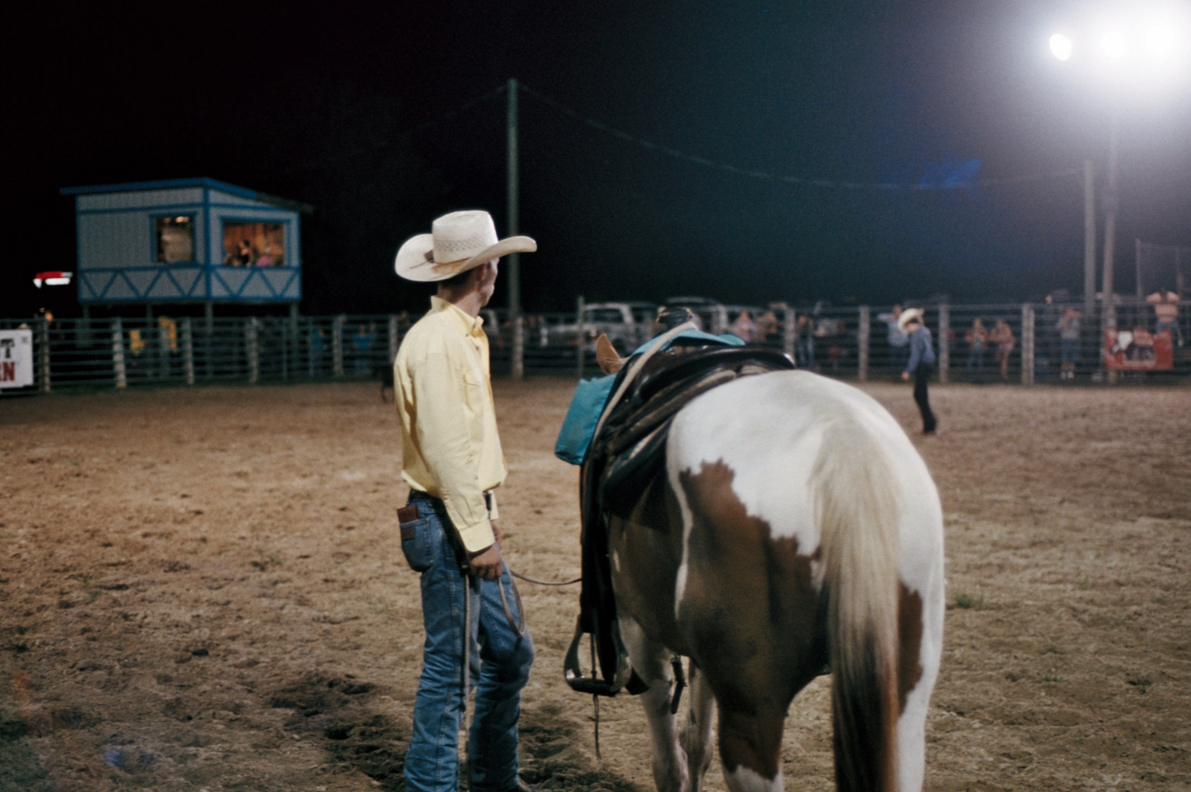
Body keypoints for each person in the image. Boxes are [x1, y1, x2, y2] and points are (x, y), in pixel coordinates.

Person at [392, 210, 537, 792]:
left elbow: (469, 446)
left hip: (462, 513)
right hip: (447, 518)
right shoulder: (438, 344)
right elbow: (449, 451)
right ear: (485, 271)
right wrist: (477, 536)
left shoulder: (460, 336)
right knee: (452, 669)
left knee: (509, 651)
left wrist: (487, 520)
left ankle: (493, 777)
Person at [899, 308, 936, 434]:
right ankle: (929, 424)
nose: (908, 330)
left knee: (919, 395)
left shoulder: (916, 335)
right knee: (921, 394)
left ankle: (930, 424)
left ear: (911, 324)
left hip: (923, 365)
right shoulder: (925, 331)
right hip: (929, 364)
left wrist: (908, 371)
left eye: (907, 327)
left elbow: (915, 355)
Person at [878, 304, 910, 378]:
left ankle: (902, 376)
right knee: (893, 361)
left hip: (903, 343)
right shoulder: (891, 318)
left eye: (898, 310)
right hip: (893, 343)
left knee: (903, 361)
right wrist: (889, 318)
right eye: (896, 310)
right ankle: (894, 376)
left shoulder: (904, 318)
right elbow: (879, 317)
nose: (897, 312)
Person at [1056, 307, 1082, 380]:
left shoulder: (1076, 319)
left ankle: (1071, 373)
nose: (1070, 313)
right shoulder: (1062, 319)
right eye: (1069, 311)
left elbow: (1082, 316)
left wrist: (1075, 315)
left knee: (1073, 358)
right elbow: (1058, 328)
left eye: (1071, 311)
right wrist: (1066, 320)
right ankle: (1063, 373)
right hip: (1065, 340)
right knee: (1064, 358)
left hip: (1074, 340)